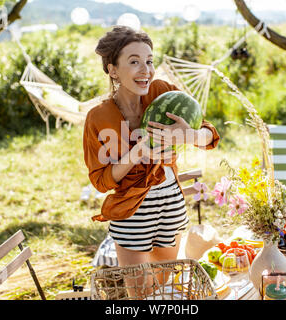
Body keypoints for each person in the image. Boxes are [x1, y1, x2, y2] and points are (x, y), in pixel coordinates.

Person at [83, 26, 220, 297]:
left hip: (170, 200)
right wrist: (135, 154)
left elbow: (210, 135)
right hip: (132, 210)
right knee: (140, 291)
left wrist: (190, 134)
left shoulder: (161, 92)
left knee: (164, 282)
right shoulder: (98, 118)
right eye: (134, 62)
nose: (146, 70)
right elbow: (100, 181)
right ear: (113, 70)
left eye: (149, 61)